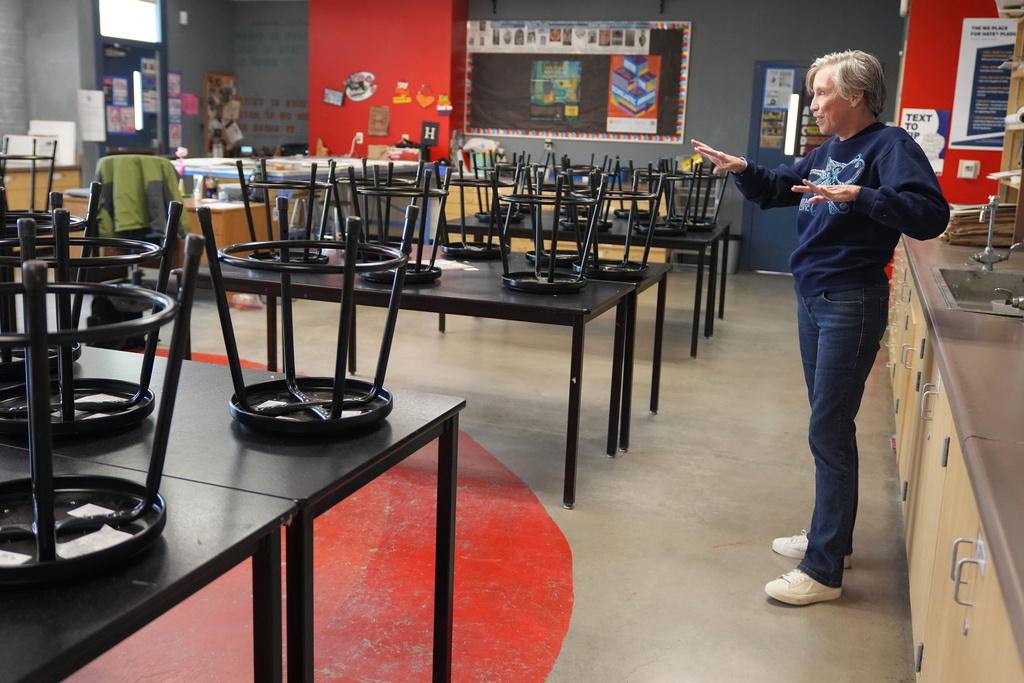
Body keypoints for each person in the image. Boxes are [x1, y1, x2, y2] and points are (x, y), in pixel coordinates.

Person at [692, 50, 949, 605]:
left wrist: (862, 195)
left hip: (850, 303)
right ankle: (834, 537)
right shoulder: (829, 148)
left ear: (855, 95)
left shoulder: (890, 146)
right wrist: (742, 168)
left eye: (821, 94)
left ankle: (824, 569)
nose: (813, 106)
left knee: (828, 430)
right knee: (828, 426)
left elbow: (931, 215)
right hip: (813, 300)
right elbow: (782, 186)